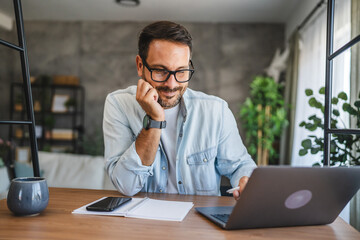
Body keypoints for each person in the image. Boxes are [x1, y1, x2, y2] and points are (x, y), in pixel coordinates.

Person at [103, 21, 256, 200]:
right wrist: (155, 119)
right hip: (141, 225)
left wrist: (245, 180)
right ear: (140, 65)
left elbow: (240, 166)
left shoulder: (216, 111)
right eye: (160, 71)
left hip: (198, 224)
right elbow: (126, 185)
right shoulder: (118, 104)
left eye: (181, 71)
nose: (172, 84)